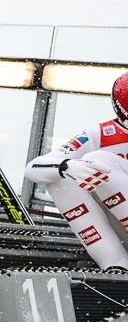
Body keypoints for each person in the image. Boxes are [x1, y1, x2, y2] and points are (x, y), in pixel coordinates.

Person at [24, 73, 128, 270]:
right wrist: (66, 167)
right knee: (62, 175)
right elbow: (33, 168)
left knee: (99, 160)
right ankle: (116, 264)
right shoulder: (99, 134)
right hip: (119, 231)